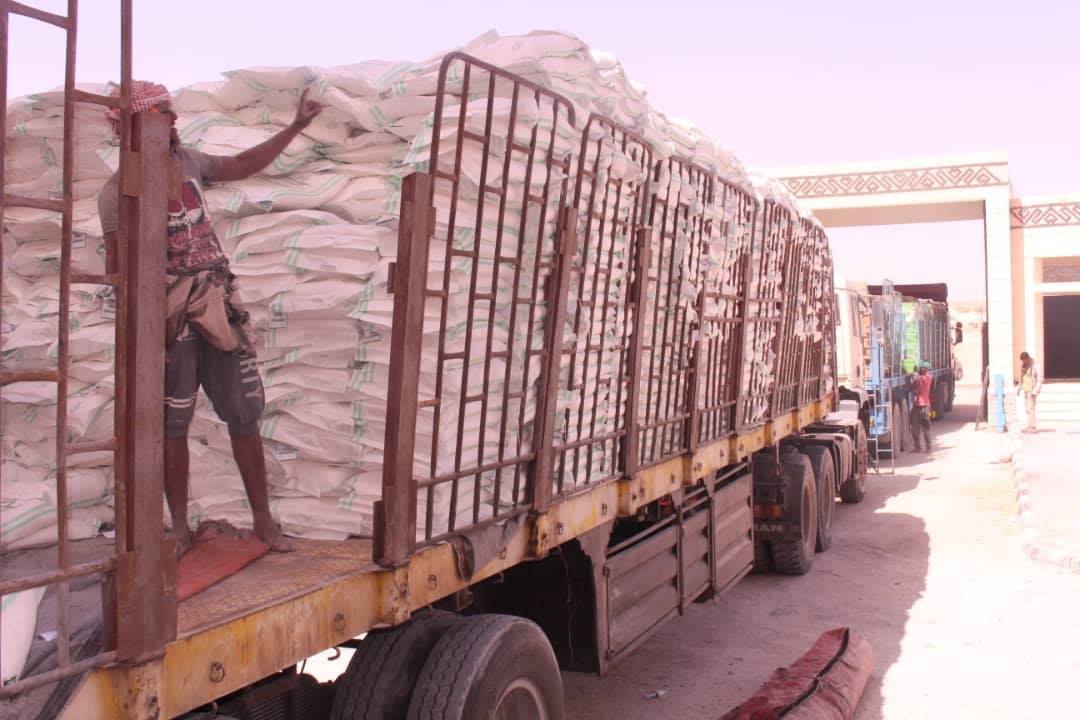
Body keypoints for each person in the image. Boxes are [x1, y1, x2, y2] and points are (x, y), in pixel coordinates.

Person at [97, 80, 324, 555]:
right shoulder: (117, 193)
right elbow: (117, 270)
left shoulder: (190, 162)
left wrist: (295, 127)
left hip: (216, 303)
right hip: (168, 317)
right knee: (172, 425)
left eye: (170, 113)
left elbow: (242, 164)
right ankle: (179, 529)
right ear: (131, 129)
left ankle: (264, 523)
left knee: (244, 414)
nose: (172, 121)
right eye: (160, 115)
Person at [909, 362, 934, 452]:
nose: (920, 370)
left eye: (921, 368)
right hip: (921, 405)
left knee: (922, 428)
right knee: (918, 428)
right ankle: (922, 447)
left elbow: (913, 385)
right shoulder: (927, 377)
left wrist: (911, 376)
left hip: (922, 406)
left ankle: (924, 447)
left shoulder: (924, 378)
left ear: (925, 369)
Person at [1019, 351, 1042, 433]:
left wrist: (1036, 390)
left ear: (1028, 358)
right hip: (1026, 390)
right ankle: (1029, 426)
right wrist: (1019, 388)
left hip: (1032, 391)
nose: (1023, 362)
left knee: (1031, 409)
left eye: (1024, 360)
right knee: (1027, 409)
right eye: (1022, 361)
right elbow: (1022, 377)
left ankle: (1033, 427)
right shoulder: (1024, 366)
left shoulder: (1035, 365)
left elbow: (1040, 379)